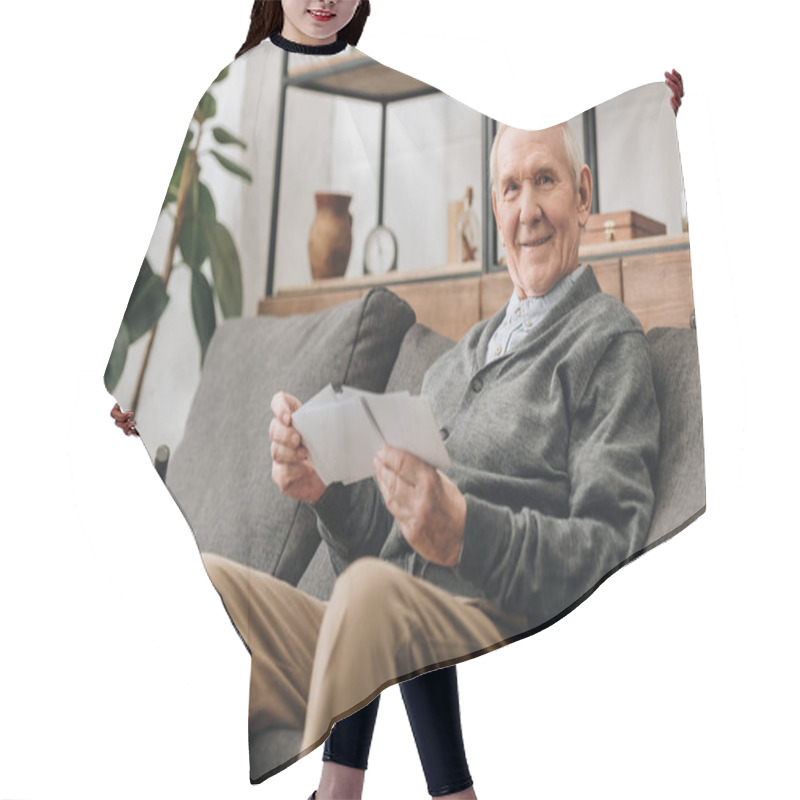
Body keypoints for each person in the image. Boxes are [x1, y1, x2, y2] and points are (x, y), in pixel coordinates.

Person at [204, 118, 661, 788]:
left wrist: (468, 533)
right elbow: (378, 541)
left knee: (371, 593)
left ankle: (344, 784)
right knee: (213, 581)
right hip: (378, 608)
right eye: (509, 188)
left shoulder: (607, 341)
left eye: (545, 181)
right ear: (493, 208)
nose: (527, 209)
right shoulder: (458, 358)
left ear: (584, 194)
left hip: (484, 605)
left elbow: (611, 545)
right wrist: (324, 484)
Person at [110, 2, 477, 798]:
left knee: (388, 563)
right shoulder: (236, 84)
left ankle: (348, 788)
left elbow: (471, 157)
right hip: (292, 372)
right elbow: (180, 230)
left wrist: (646, 119)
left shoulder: (374, 84)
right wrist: (137, 374)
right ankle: (406, 788)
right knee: (380, 568)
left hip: (368, 365)